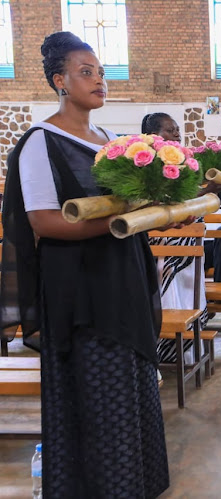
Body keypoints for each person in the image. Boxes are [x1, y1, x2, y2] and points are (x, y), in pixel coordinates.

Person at [0, 31, 168, 496]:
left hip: (122, 273)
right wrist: (121, 225)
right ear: (60, 81)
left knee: (129, 383)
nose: (99, 81)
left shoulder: (109, 139)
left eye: (101, 73)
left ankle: (131, 482)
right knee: (96, 390)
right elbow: (45, 222)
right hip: (79, 284)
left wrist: (153, 212)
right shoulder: (40, 142)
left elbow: (127, 205)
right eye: (86, 73)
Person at [142, 112, 209, 363]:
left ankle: (184, 347)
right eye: (171, 130)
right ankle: (161, 348)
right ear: (154, 135)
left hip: (183, 233)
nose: (178, 134)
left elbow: (187, 195)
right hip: (160, 235)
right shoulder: (146, 166)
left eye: (178, 129)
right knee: (165, 270)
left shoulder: (182, 161)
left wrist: (208, 189)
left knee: (179, 274)